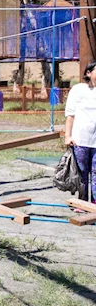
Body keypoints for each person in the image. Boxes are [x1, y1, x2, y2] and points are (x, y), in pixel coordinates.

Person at [64, 60, 96, 205]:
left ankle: (95, 203)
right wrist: (67, 135)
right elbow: (70, 115)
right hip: (80, 140)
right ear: (88, 73)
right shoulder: (78, 90)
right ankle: (82, 202)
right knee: (82, 173)